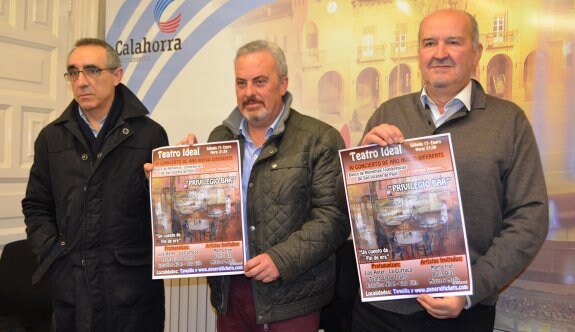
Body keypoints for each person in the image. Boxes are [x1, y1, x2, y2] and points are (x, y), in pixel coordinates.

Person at [352, 9, 549, 331]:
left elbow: (531, 217)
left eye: (453, 42)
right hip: (382, 310)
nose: (440, 53)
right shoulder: (388, 112)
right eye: (430, 43)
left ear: (476, 53)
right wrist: (361, 166)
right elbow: (355, 208)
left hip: (463, 311)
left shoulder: (508, 121)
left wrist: (472, 289)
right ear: (419, 53)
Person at [178, 39, 349, 331]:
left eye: (259, 81)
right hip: (230, 295)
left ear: (283, 84)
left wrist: (280, 259)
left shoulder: (319, 138)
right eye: (241, 83)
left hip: (291, 295)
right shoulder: (220, 138)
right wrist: (176, 176)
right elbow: (202, 213)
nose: (249, 92)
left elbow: (333, 219)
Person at [22, 38, 167, 331]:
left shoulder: (150, 135)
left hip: (130, 291)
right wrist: (52, 253)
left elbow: (164, 213)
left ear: (117, 76)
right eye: (73, 72)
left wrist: (179, 179)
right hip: (71, 286)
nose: (81, 81)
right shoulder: (51, 138)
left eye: (91, 70)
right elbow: (36, 205)